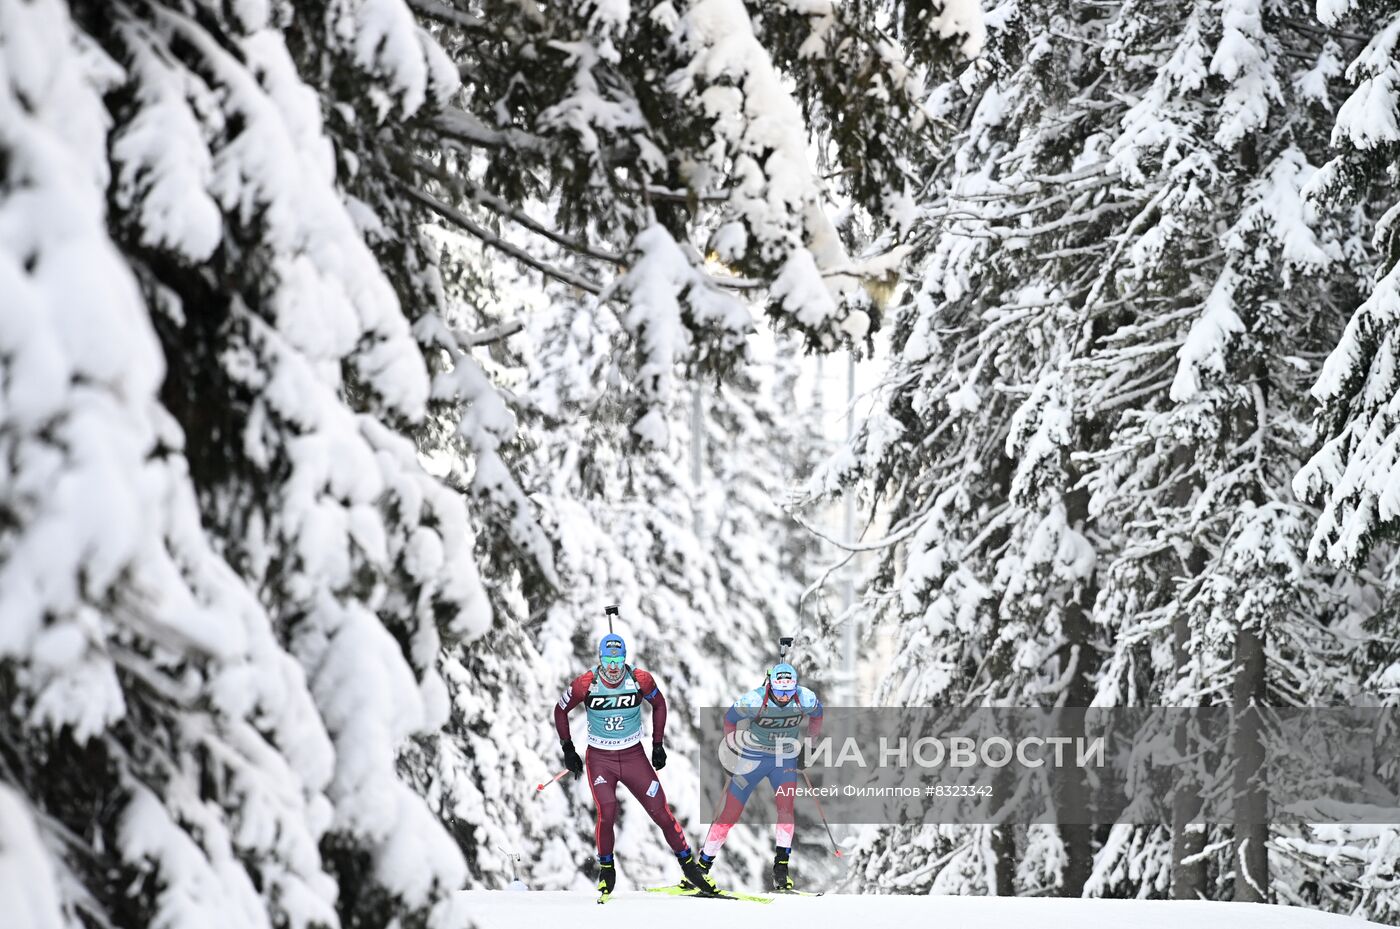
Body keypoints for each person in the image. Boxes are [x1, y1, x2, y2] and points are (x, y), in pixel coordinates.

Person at [555, 632, 718, 897]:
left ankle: (689, 867)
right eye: (608, 660)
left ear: (625, 659)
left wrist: (657, 744)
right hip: (601, 760)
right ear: (600, 659)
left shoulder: (639, 680)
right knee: (607, 812)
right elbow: (560, 710)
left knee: (661, 812)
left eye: (618, 660)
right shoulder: (586, 683)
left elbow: (660, 704)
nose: (613, 667)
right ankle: (607, 869)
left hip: (633, 758)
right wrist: (568, 749)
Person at [692, 662, 823, 891]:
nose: (784, 697)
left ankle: (781, 870)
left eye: (789, 692)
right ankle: (701, 868)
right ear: (771, 685)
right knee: (730, 813)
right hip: (752, 759)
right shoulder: (754, 700)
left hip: (784, 760)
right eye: (780, 691)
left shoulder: (805, 698)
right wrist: (730, 751)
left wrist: (809, 747)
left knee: (785, 810)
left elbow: (817, 716)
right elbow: (730, 719)